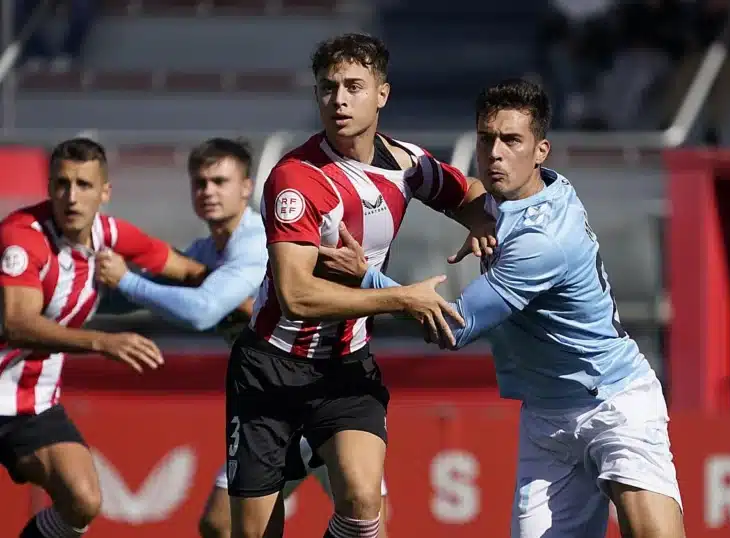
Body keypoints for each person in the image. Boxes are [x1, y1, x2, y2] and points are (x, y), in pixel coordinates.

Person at [333, 79, 686, 538]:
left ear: (541, 150)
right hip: (545, 419)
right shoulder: (540, 191)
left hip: (613, 402)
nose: (495, 152)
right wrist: (478, 215)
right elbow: (470, 191)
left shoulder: (542, 243)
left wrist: (366, 276)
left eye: (511, 140)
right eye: (486, 138)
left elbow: (451, 329)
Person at [226, 33, 494, 538]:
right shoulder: (296, 178)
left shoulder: (407, 164)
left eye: (354, 86)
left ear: (382, 94)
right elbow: (296, 295)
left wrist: (481, 220)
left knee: (363, 503)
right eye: (328, 89)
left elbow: (472, 194)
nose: (340, 100)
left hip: (344, 366)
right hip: (271, 367)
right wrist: (399, 298)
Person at [92, 138, 391, 538]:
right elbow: (142, 293)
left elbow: (202, 310)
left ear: (248, 187)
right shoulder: (207, 251)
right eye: (200, 183)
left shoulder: (258, 243)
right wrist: (73, 290)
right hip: (271, 400)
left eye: (220, 181)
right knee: (220, 525)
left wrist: (126, 280)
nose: (209, 192)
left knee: (366, 523)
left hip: (321, 386)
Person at [0, 138, 208, 538]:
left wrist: (255, 281)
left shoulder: (110, 235)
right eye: (62, 184)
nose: (71, 197)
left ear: (105, 193)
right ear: (49, 188)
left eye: (83, 185)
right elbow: (17, 324)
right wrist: (102, 342)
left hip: (32, 404)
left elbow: (183, 268)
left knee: (82, 501)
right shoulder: (22, 237)